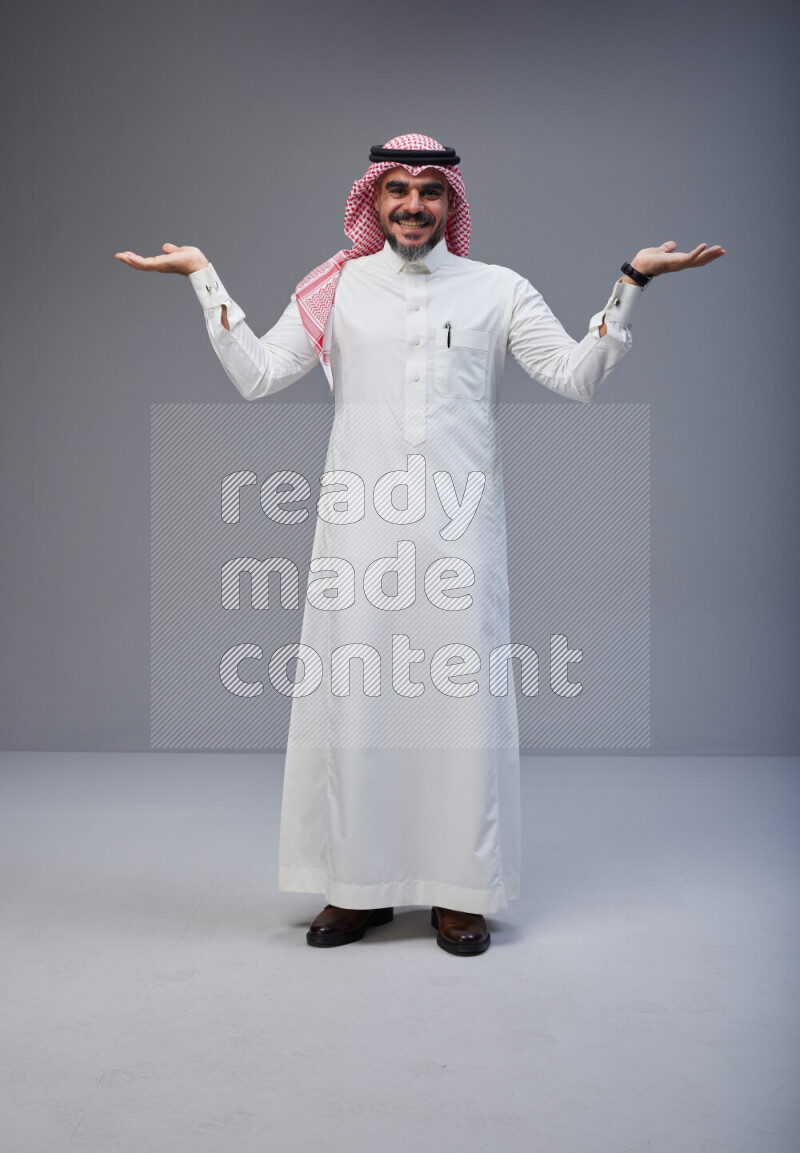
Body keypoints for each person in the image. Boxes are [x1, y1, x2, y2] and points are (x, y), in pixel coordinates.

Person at [116, 133, 724, 957]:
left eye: (428, 192)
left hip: (460, 534)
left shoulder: (496, 290)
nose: (411, 205)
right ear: (372, 200)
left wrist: (632, 283)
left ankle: (456, 892)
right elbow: (257, 374)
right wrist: (202, 277)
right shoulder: (339, 288)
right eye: (395, 190)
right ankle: (358, 891)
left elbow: (578, 376)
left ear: (451, 204)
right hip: (357, 533)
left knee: (458, 711)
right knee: (358, 706)